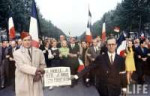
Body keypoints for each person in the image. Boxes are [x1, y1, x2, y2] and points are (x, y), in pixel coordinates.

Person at [13, 32, 46, 96]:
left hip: (37, 80)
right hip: (24, 81)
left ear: (31, 41)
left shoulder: (39, 52)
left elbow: (43, 65)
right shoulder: (16, 53)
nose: (27, 42)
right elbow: (21, 66)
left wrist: (39, 75)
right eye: (25, 40)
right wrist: (36, 70)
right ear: (22, 41)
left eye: (29, 40)